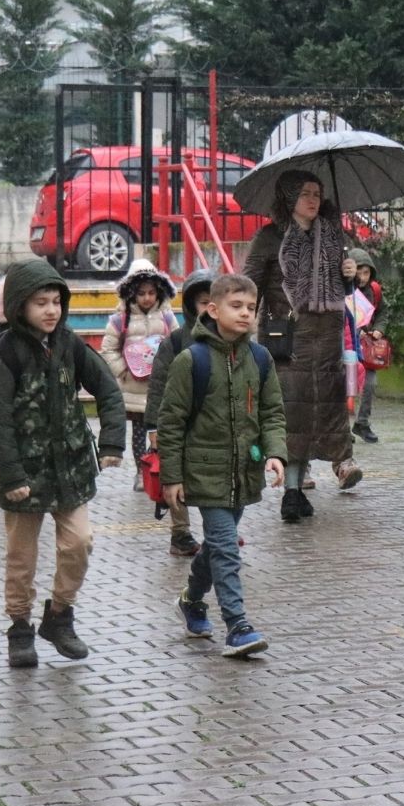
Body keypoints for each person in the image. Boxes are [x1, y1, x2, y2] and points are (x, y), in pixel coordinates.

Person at [0, 259, 126, 668]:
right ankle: (20, 628)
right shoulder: (1, 355)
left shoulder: (70, 344)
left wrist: (113, 440)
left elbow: (108, 390)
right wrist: (11, 475)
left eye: (56, 301)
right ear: (20, 305)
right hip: (23, 475)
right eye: (40, 302)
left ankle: (59, 616)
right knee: (21, 559)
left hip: (72, 469)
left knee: (79, 542)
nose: (51, 310)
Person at [157, 273, 286, 658]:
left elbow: (272, 411)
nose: (246, 314)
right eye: (236, 306)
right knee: (227, 548)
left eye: (251, 307)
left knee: (216, 546)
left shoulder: (260, 358)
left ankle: (191, 600)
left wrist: (276, 452)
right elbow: (171, 421)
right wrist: (172, 477)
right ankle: (237, 625)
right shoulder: (190, 360)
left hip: (243, 473)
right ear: (212, 310)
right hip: (204, 472)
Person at [243, 170, 362, 523]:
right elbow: (248, 287)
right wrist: (242, 324)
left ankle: (334, 464)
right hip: (288, 339)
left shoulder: (330, 236)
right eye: (305, 193)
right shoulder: (270, 237)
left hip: (326, 338)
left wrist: (348, 274)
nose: (313, 199)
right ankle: (292, 492)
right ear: (289, 197)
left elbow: (340, 291)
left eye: (317, 193)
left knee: (323, 407)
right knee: (291, 412)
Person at [145, 267, 216, 556]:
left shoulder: (232, 340)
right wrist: (154, 428)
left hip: (213, 425)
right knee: (177, 477)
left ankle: (218, 534)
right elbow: (158, 386)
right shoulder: (175, 342)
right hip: (180, 425)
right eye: (202, 301)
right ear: (190, 305)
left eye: (214, 300)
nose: (209, 308)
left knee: (214, 479)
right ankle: (181, 534)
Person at [99, 258, 177, 492]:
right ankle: (141, 472)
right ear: (131, 293)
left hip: (160, 387)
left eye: (152, 293)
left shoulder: (167, 318)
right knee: (139, 434)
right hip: (134, 387)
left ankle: (161, 469)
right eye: (141, 293)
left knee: (162, 432)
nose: (147, 298)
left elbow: (176, 344)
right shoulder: (119, 319)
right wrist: (122, 369)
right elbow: (108, 348)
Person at [347, 246, 387, 444]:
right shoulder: (342, 290)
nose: (362, 277)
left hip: (367, 348)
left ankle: (362, 422)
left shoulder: (375, 290)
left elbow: (382, 314)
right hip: (346, 346)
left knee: (370, 384)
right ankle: (343, 427)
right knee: (346, 387)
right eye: (358, 272)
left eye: (366, 272)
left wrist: (379, 329)